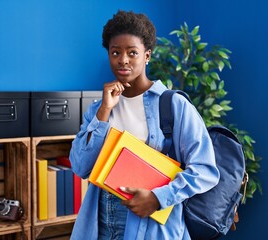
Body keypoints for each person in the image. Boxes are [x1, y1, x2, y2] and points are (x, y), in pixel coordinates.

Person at [69, 10, 220, 240]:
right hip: (99, 223)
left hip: (151, 223)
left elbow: (206, 170)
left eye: (132, 52)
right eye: (115, 52)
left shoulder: (173, 105)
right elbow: (80, 167)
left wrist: (158, 198)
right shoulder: (100, 107)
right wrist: (104, 111)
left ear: (147, 55)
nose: (123, 60)